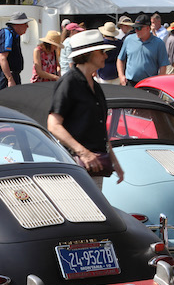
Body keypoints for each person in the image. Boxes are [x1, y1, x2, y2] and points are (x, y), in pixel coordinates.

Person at [48, 30, 124, 190]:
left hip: (95, 166)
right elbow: (53, 124)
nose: (105, 56)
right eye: (102, 52)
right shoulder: (69, 82)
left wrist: (114, 161)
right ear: (91, 54)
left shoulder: (95, 86)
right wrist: (84, 153)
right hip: (75, 165)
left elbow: (100, 130)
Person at [117, 13, 169, 86]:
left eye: (139, 28)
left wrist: (158, 83)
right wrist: (121, 76)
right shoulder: (128, 39)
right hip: (130, 83)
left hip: (150, 84)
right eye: (135, 28)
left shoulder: (159, 43)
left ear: (148, 28)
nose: (136, 31)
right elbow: (120, 59)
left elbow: (163, 66)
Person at [0, 11, 30, 91]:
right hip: (7, 76)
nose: (27, 27)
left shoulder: (14, 35)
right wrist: (10, 79)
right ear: (18, 24)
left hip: (12, 75)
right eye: (25, 24)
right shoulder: (7, 34)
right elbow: (2, 58)